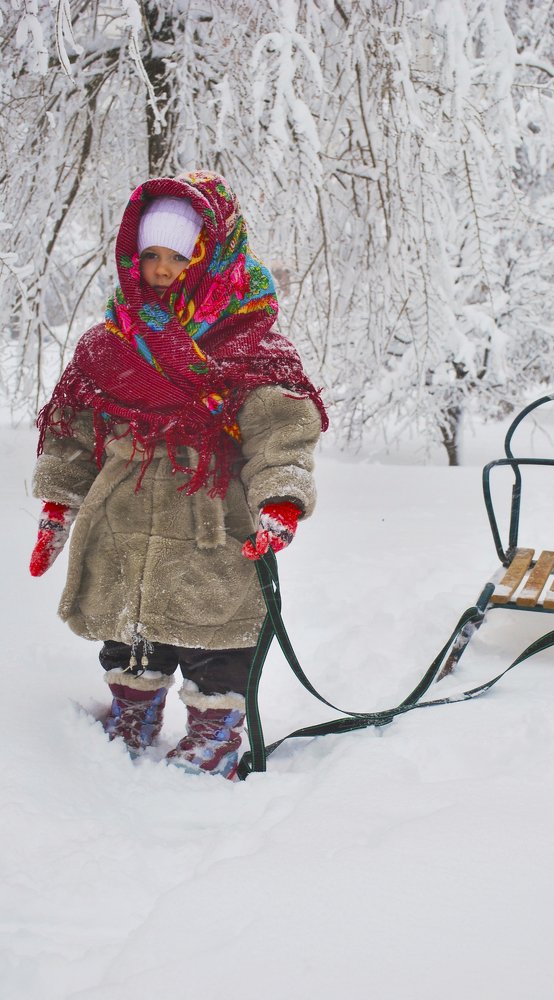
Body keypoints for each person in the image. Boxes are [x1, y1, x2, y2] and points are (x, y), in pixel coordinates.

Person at [29, 170, 327, 780]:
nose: (162, 270)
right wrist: (60, 504)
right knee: (129, 623)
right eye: (151, 256)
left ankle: (215, 726)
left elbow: (282, 431)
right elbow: (74, 432)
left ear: (211, 256)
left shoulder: (249, 343)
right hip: (121, 514)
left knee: (215, 630)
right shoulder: (109, 344)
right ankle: (133, 708)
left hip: (211, 519)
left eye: (178, 256)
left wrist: (282, 500)